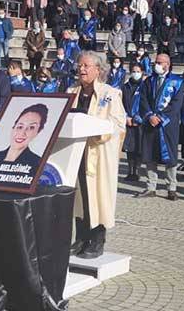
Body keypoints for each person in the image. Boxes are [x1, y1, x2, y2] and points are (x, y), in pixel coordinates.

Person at [67, 51, 126, 259]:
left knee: (98, 196)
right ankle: (81, 238)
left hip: (97, 153)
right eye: (79, 65)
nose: (81, 69)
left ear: (98, 70)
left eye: (86, 66)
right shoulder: (71, 91)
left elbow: (118, 125)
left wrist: (97, 130)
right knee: (79, 197)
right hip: (76, 153)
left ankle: (97, 240)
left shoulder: (110, 94)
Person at [135, 53, 184, 200]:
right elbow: (143, 99)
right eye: (155, 62)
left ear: (167, 64)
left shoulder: (177, 81)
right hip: (150, 123)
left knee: (170, 156)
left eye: (159, 62)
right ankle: (151, 187)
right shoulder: (149, 81)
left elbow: (176, 103)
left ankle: (171, 188)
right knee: (150, 155)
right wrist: (150, 115)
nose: (156, 64)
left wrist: (161, 118)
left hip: (168, 125)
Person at [122, 63, 146, 182]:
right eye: (133, 71)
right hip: (128, 121)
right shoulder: (125, 87)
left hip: (140, 121)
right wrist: (126, 117)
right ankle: (130, 171)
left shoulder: (145, 86)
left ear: (142, 72)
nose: (135, 73)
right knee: (129, 147)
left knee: (139, 147)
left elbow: (146, 104)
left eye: (138, 71)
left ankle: (136, 171)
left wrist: (138, 118)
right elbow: (121, 104)